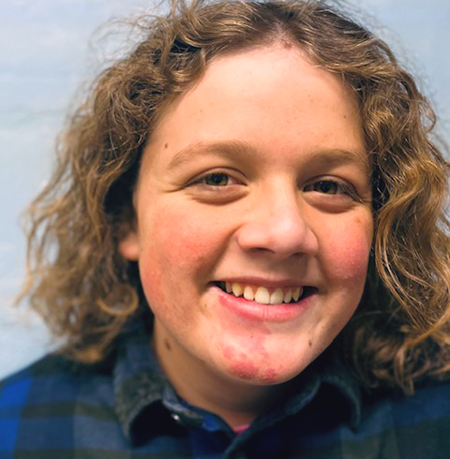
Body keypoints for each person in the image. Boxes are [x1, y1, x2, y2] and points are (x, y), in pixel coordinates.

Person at [1, 0, 449, 457]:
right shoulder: (15, 430)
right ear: (125, 219)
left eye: (328, 186)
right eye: (216, 179)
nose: (283, 233)